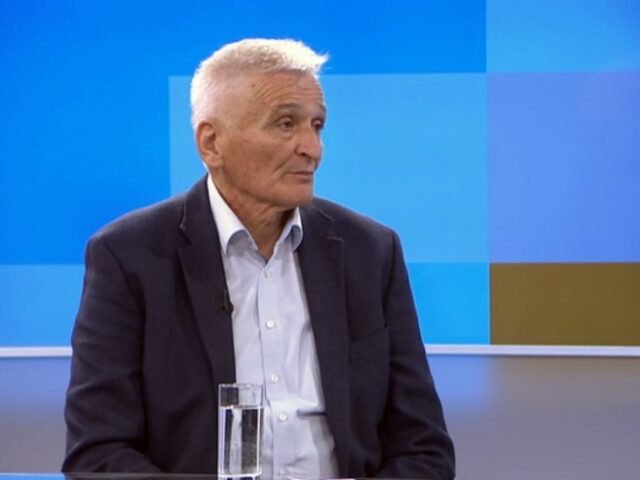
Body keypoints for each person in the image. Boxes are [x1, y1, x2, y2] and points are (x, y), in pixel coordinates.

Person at [62, 38, 455, 479]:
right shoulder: (129, 255)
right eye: (286, 124)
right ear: (211, 143)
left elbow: (423, 448)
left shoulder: (370, 250)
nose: (312, 148)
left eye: (317, 126)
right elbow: (98, 454)